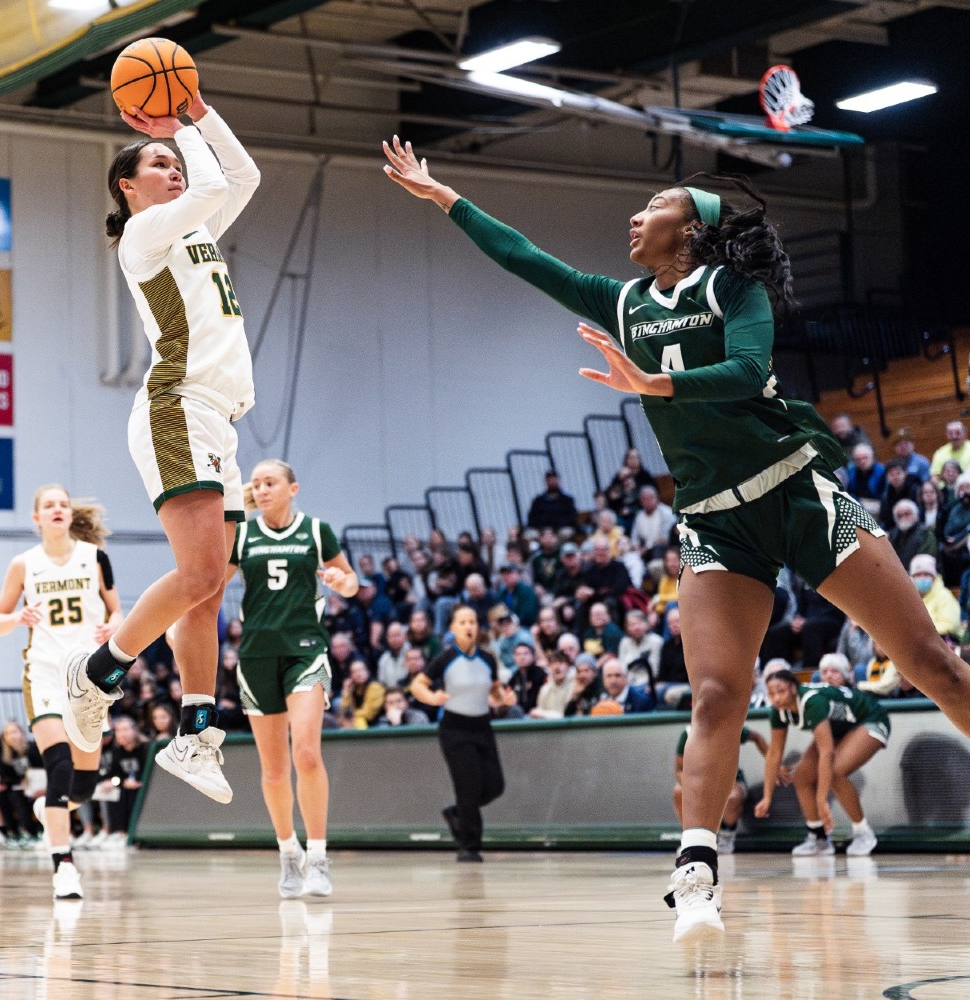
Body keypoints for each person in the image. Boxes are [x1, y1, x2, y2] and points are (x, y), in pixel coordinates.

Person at [382, 140, 970, 943]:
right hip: (715, 519)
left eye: (656, 205)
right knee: (717, 695)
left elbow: (747, 370)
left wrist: (655, 383)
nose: (637, 215)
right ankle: (696, 872)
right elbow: (523, 257)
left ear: (692, 230)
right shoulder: (622, 302)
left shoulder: (733, 288)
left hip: (794, 493)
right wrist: (442, 195)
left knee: (931, 662)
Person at [64, 84, 261, 808]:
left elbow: (242, 177)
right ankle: (97, 673)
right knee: (200, 571)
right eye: (158, 163)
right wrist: (177, 126)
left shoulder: (196, 227)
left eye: (176, 162)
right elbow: (211, 183)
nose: (174, 168)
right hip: (177, 407)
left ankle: (195, 736)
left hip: (219, 418)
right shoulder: (145, 235)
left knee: (210, 587)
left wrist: (200, 113)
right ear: (128, 185)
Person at [227, 458, 357, 897]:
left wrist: (341, 581)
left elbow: (351, 582)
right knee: (274, 769)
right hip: (256, 655)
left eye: (270, 482)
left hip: (305, 649)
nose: (262, 490)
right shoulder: (241, 535)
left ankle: (318, 857)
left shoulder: (317, 531)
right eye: (257, 484)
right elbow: (210, 586)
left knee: (306, 752)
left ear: (292, 488)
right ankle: (288, 853)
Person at [0, 484, 122, 899]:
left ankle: (48, 808)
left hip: (88, 676)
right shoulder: (23, 564)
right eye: (49, 506)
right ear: (37, 518)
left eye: (63, 504)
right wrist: (18, 617)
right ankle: (63, 865)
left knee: (82, 788)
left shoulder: (95, 558)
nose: (58, 509)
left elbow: (118, 611)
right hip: (44, 673)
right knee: (59, 767)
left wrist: (113, 625)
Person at [409, 607, 511, 862]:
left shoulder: (487, 659)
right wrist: (432, 697)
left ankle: (458, 813)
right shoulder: (445, 658)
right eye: (463, 622)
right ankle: (468, 846)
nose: (469, 626)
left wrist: (503, 699)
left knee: (495, 785)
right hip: (455, 728)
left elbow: (495, 690)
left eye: (473, 622)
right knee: (468, 787)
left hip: (482, 727)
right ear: (453, 628)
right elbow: (418, 684)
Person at [756, 669, 890, 858]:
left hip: (870, 718)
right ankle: (818, 838)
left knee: (835, 772)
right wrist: (767, 797)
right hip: (840, 728)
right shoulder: (778, 712)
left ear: (793, 688)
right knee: (801, 776)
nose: (776, 698)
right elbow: (774, 753)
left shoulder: (812, 701)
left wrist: (821, 799)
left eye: (781, 691)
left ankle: (863, 833)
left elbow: (826, 752)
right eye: (771, 694)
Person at [673, 725, 768, 854]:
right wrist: (694, 788)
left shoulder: (731, 725)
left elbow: (756, 736)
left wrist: (773, 761)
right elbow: (680, 769)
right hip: (699, 782)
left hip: (730, 780)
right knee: (679, 791)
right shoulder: (688, 732)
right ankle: (692, 838)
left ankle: (726, 837)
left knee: (732, 796)